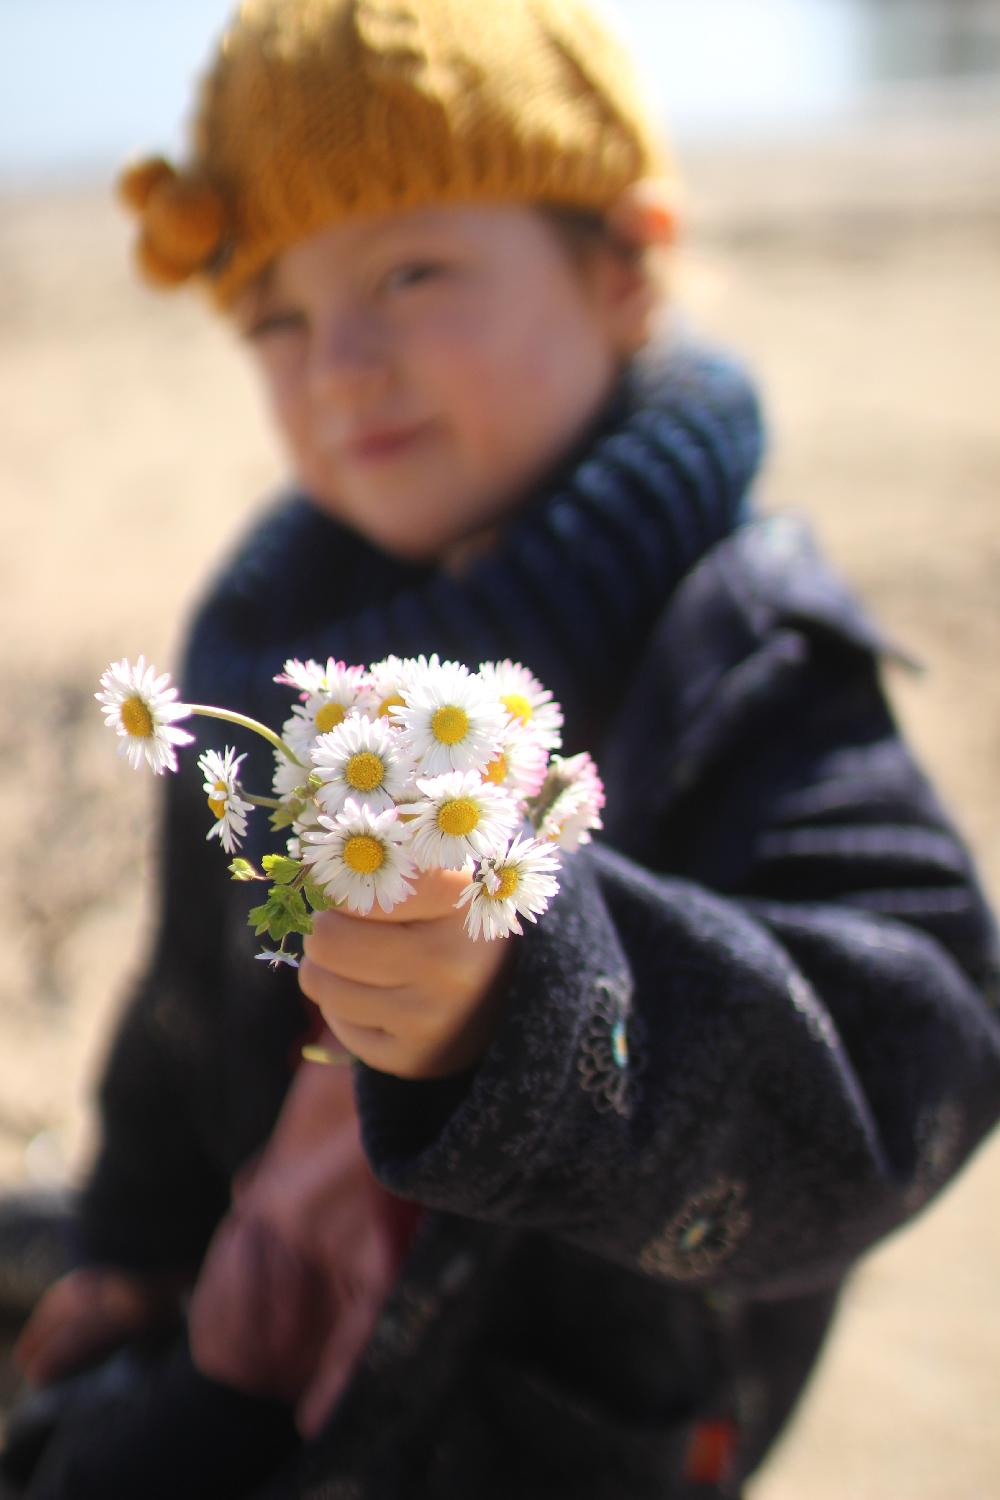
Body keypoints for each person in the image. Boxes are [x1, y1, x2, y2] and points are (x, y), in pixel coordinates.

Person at [3, 1, 999, 1496]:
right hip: (253, 1304)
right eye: (275, 314)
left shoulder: (743, 655)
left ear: (623, 265)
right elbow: (179, 1030)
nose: (339, 362)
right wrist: (137, 1257)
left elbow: (914, 1054)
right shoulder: (264, 659)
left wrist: (530, 994)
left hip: (559, 1422)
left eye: (411, 271)